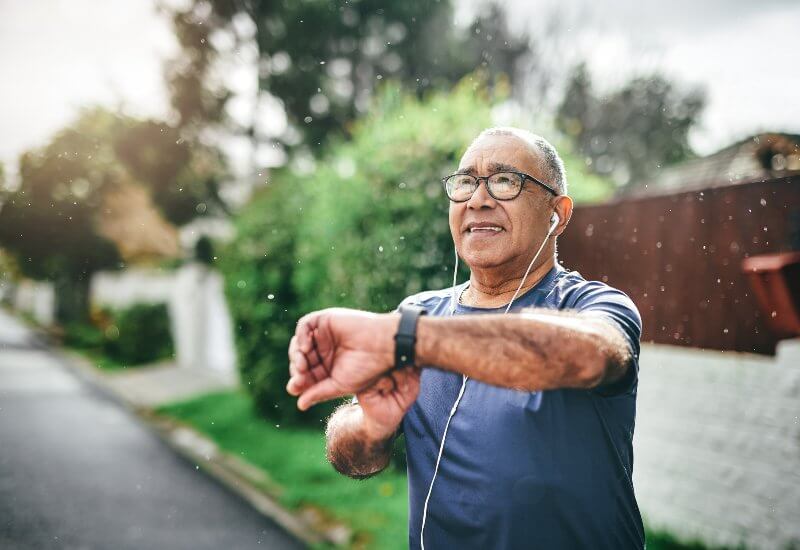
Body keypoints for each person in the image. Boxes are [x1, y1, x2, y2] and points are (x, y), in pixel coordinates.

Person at [287, 127, 645, 549]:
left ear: (558, 213)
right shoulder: (419, 315)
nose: (478, 199)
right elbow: (353, 459)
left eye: (505, 180)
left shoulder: (593, 306)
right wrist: (370, 427)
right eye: (465, 182)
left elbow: (590, 354)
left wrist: (411, 337)